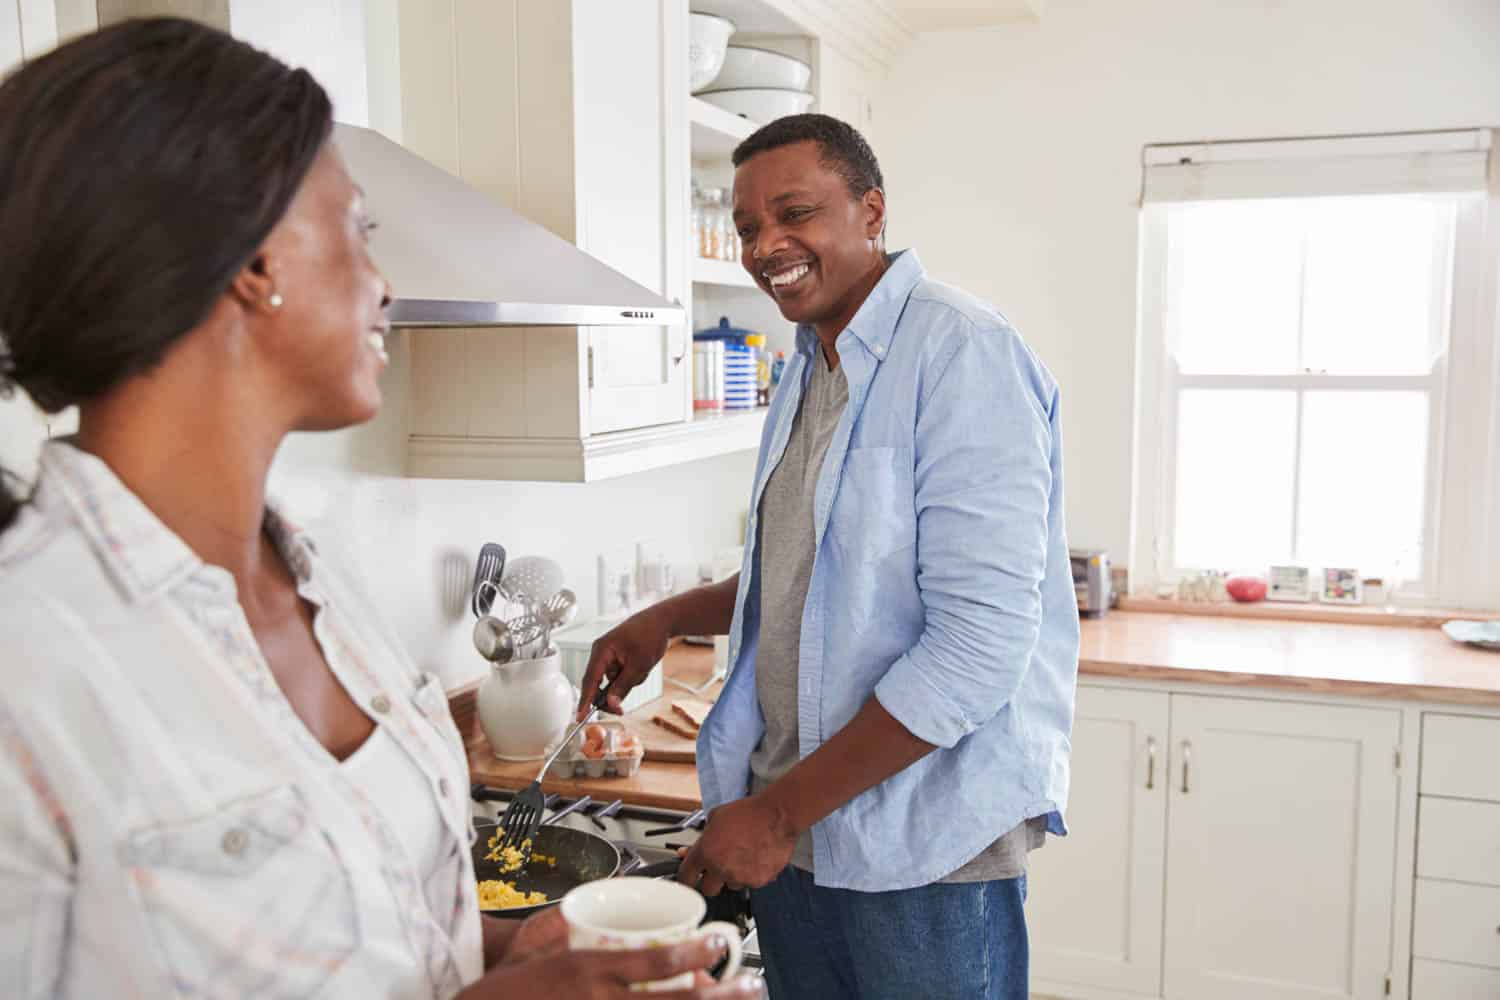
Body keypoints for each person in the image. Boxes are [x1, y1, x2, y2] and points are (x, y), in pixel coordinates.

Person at [0, 18, 754, 1000]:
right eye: (358, 228)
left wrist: (494, 947)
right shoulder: (32, 662)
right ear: (251, 260)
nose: (387, 282)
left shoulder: (318, 586)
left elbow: (342, 927)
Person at [579, 114, 1080, 1000]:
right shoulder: (813, 362)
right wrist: (665, 618)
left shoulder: (961, 351)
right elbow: (812, 574)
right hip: (800, 833)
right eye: (745, 228)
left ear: (871, 210)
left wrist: (773, 816)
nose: (766, 245)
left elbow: (978, 648)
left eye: (795, 213)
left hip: (919, 842)